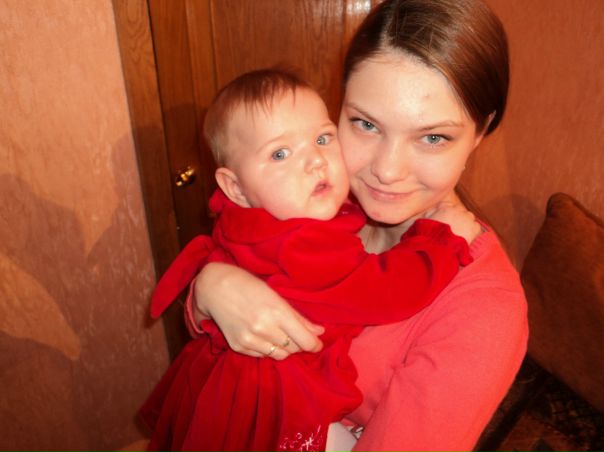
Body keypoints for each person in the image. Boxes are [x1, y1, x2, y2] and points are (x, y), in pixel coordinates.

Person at [185, 1, 529, 451]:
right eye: (365, 124)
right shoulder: (321, 197)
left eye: (433, 137)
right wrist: (210, 289)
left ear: (481, 131)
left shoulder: (485, 310)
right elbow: (216, 324)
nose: (386, 171)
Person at [139, 68, 479, 452]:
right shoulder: (299, 244)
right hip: (274, 412)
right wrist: (441, 242)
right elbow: (387, 290)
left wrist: (206, 285)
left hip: (222, 397)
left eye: (322, 138)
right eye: (280, 154)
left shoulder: (250, 216)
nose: (315, 160)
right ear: (235, 187)